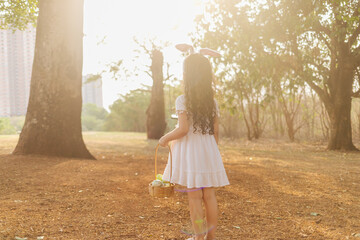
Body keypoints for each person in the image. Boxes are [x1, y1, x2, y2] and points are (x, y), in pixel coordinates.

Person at [159, 52, 230, 240]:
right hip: (208, 150)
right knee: (210, 196)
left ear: (188, 74)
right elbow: (215, 131)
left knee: (194, 198)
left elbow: (183, 129)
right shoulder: (212, 102)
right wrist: (213, 152)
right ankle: (211, 237)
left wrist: (165, 138)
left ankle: (199, 237)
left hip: (191, 152)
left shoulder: (183, 100)